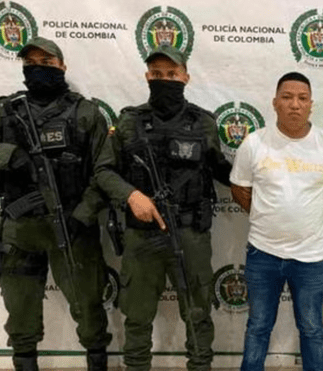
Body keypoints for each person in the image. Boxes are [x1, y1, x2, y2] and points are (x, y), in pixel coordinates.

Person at [0, 36, 112, 371]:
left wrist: (83, 214)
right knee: (21, 315)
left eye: (47, 63)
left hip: (73, 226)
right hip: (21, 230)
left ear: (62, 66)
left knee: (89, 309)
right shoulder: (5, 111)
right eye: (31, 64)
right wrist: (8, 153)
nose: (38, 69)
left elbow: (106, 172)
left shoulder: (85, 113)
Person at [93, 44, 231, 371]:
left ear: (185, 76)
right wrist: (131, 195)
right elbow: (103, 171)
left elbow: (223, 171)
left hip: (190, 234)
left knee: (198, 314)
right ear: (147, 76)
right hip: (142, 236)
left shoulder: (204, 123)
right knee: (137, 316)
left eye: (171, 74)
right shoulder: (129, 122)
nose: (164, 79)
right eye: (157, 74)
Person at [230, 72, 323, 371]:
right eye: (287, 97)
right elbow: (239, 187)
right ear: (275, 103)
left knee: (311, 329)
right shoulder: (254, 143)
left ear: (311, 105)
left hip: (310, 257)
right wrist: (265, 215)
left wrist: (299, 216)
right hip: (263, 253)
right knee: (258, 327)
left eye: (302, 98)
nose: (295, 104)